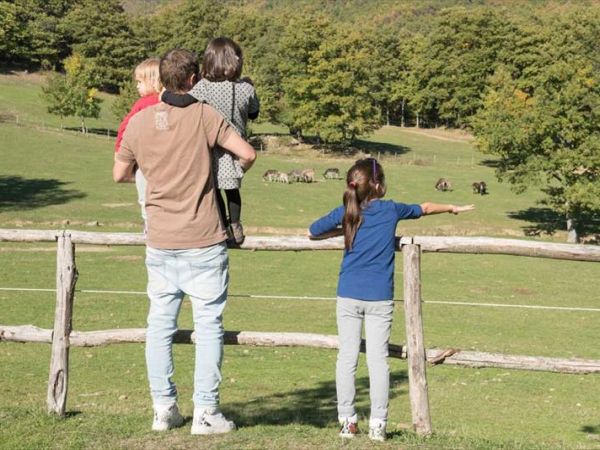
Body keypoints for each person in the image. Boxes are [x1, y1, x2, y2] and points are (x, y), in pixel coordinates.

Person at [113, 48, 257, 435]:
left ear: (162, 78)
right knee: (208, 325)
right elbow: (247, 153)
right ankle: (206, 412)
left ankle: (164, 408)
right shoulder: (206, 115)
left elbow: (119, 173)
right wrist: (223, 172)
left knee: (159, 325)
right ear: (193, 80)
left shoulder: (140, 122)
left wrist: (157, 177)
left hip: (160, 239)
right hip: (204, 238)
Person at [308, 158, 474, 442]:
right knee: (377, 361)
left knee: (346, 359)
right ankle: (377, 425)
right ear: (377, 185)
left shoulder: (348, 211)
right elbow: (424, 208)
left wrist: (343, 229)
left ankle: (347, 422)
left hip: (348, 293)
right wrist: (452, 207)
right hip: (379, 298)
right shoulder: (390, 210)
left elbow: (313, 230)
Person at [161, 37, 259, 245]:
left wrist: (164, 95)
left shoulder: (204, 87)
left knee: (214, 191)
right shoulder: (246, 88)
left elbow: (183, 100)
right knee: (232, 191)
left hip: (211, 147)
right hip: (236, 148)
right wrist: (248, 86)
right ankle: (236, 224)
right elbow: (254, 113)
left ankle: (223, 226)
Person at [114, 58, 162, 230]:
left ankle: (149, 228)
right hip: (164, 161)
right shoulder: (171, 101)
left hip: (144, 161)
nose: (137, 87)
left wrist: (119, 151)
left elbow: (124, 127)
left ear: (153, 81)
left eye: (140, 82)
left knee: (145, 198)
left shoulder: (144, 103)